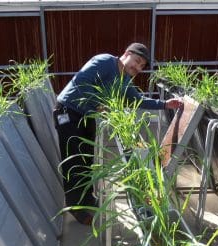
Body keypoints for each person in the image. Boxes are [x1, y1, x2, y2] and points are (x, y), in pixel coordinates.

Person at [54, 42, 183, 225]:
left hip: (86, 115)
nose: (137, 67)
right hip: (68, 112)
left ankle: (87, 199)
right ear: (126, 54)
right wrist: (100, 105)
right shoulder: (105, 61)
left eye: (142, 66)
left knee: (86, 159)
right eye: (136, 61)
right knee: (74, 162)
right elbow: (81, 83)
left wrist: (164, 104)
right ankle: (76, 209)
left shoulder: (124, 80)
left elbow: (137, 100)